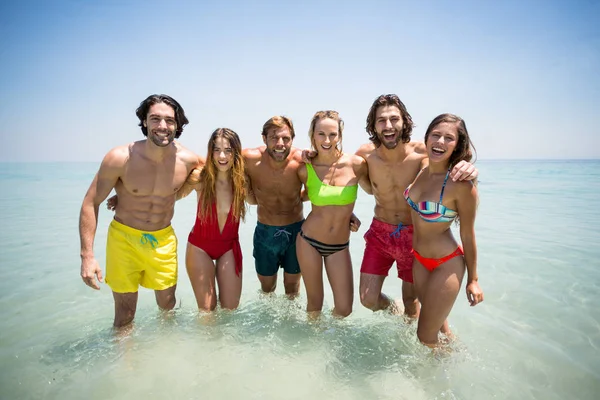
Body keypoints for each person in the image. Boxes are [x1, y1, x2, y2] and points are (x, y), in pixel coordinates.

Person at [79, 94, 203, 328]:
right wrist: (87, 256)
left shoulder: (188, 160)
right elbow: (90, 203)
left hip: (163, 240)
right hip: (124, 240)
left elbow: (222, 169)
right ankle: (125, 363)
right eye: (155, 119)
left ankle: (166, 357)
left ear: (178, 125)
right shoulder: (120, 158)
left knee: (168, 305)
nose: (162, 126)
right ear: (144, 122)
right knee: (125, 314)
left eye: (169, 120)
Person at [357, 94, 477, 325]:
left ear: (405, 121)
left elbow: (440, 172)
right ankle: (393, 309)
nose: (389, 125)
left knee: (412, 303)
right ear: (373, 125)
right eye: (381, 120)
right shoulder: (364, 154)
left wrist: (468, 167)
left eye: (394, 119)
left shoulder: (423, 152)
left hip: (414, 235)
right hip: (380, 232)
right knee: (367, 298)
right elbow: (341, 172)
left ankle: (415, 347)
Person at [243, 116, 360, 297]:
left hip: (295, 230)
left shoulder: (302, 160)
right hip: (265, 232)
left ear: (293, 139)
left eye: (286, 138)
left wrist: (346, 213)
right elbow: (221, 168)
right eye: (274, 137)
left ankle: (292, 325)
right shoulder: (249, 159)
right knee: (267, 289)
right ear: (263, 138)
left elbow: (325, 186)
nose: (280, 143)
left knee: (292, 289)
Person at [404, 113, 483, 346]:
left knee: (424, 335)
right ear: (426, 137)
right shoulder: (422, 167)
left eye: (449, 138)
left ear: (457, 145)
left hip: (446, 263)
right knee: (439, 327)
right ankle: (451, 364)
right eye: (436, 135)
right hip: (419, 260)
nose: (440, 142)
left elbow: (467, 234)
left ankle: (429, 381)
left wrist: (473, 279)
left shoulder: (461, 185)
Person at [296, 110, 369, 317]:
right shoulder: (304, 168)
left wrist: (350, 214)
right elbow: (299, 196)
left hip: (339, 246)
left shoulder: (357, 165)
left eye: (332, 134)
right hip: (309, 241)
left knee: (344, 310)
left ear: (340, 135)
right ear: (312, 135)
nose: (327, 140)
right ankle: (312, 348)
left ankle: (331, 345)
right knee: (315, 306)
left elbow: (378, 190)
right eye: (321, 134)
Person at [182, 128, 249, 311]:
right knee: (207, 312)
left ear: (235, 153)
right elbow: (168, 195)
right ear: (210, 152)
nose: (222, 156)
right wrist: (125, 198)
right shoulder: (200, 178)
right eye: (217, 150)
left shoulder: (242, 181)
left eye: (228, 150)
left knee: (230, 310)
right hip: (199, 247)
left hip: (228, 247)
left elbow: (264, 197)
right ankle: (205, 340)